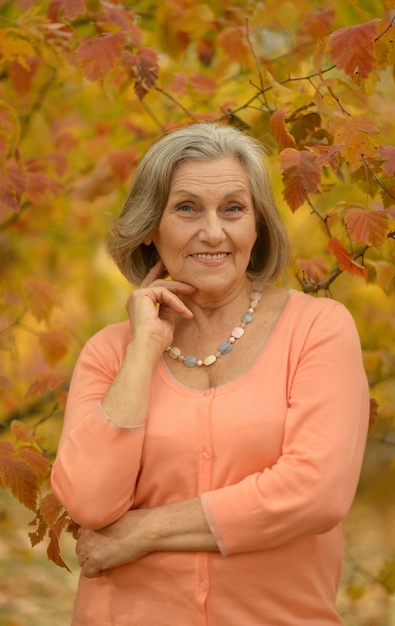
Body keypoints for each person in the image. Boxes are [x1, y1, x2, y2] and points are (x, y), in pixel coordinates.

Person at [51, 122, 370, 626]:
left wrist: (142, 532)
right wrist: (143, 353)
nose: (214, 232)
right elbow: (90, 502)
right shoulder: (110, 352)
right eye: (186, 208)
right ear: (151, 228)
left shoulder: (318, 329)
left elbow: (316, 492)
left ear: (257, 225)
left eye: (233, 209)